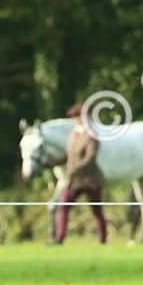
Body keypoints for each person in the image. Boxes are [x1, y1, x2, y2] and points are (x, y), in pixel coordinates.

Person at [53, 102, 107, 244]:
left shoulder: (91, 135)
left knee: (97, 211)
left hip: (90, 180)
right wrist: (51, 163)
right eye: (73, 117)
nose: (75, 120)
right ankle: (59, 239)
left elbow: (90, 158)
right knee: (63, 207)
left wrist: (72, 170)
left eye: (77, 117)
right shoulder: (73, 135)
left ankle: (102, 240)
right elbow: (68, 156)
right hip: (74, 181)